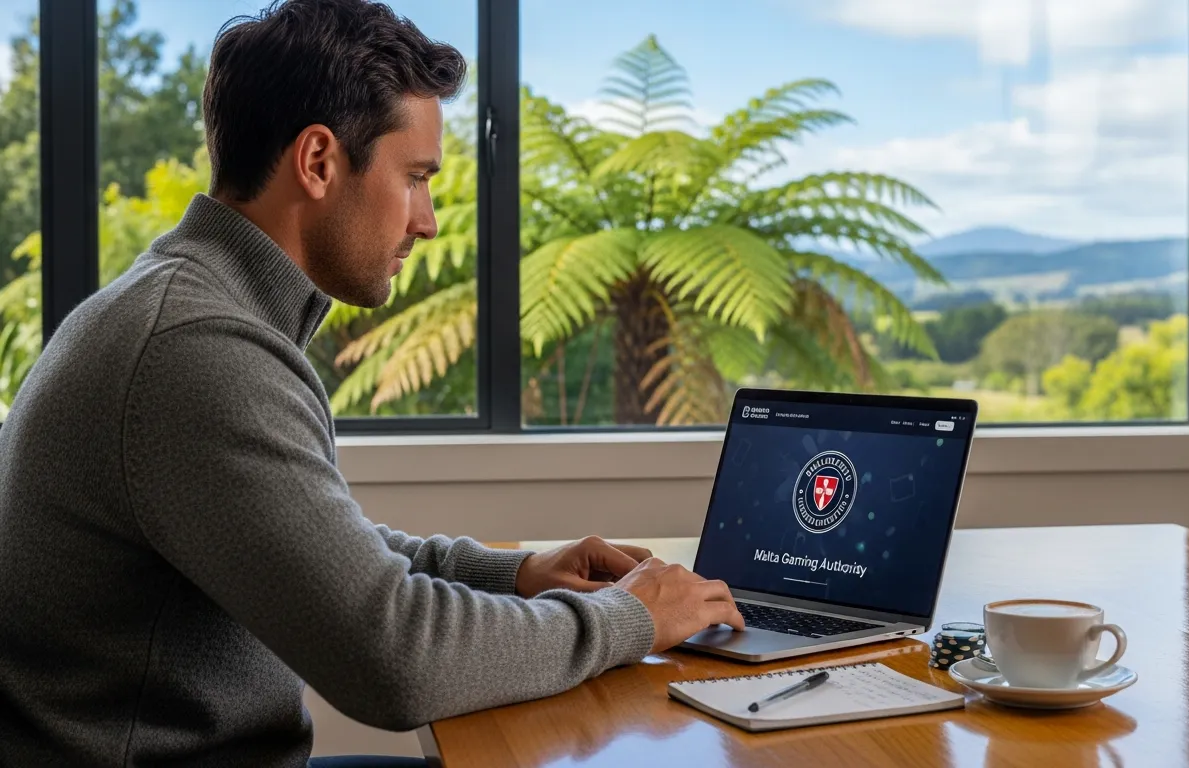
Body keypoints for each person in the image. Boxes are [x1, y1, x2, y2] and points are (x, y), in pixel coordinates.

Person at [0, 1, 745, 766]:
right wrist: (628, 619)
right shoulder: (197, 350)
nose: (426, 221)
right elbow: (394, 659)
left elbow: (318, 551)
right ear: (319, 161)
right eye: (415, 178)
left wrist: (516, 573)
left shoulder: (189, 307)